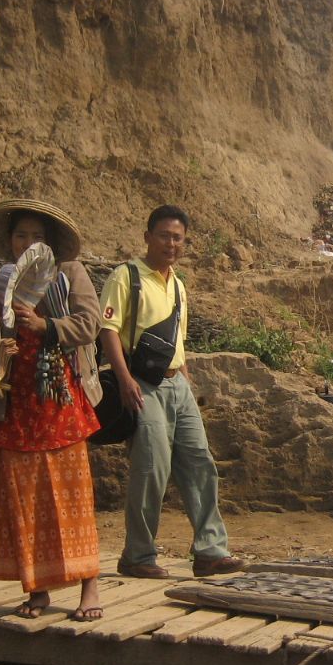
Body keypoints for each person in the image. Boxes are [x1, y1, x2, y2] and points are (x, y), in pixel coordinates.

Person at [98, 204, 241, 579]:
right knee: (152, 468)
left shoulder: (178, 284)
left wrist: (185, 373)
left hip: (178, 383)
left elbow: (177, 337)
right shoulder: (126, 277)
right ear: (147, 237)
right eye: (164, 235)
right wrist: (125, 378)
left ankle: (210, 551)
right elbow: (108, 330)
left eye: (178, 237)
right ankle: (138, 556)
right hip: (142, 384)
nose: (171, 243)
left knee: (199, 463)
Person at [0, 200, 104, 620]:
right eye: (21, 235)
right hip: (14, 401)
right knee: (23, 495)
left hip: (58, 398)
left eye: (36, 236)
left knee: (71, 493)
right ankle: (37, 589)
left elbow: (90, 324)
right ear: (11, 242)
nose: (28, 242)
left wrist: (45, 326)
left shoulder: (69, 274)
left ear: (47, 243)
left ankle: (90, 587)